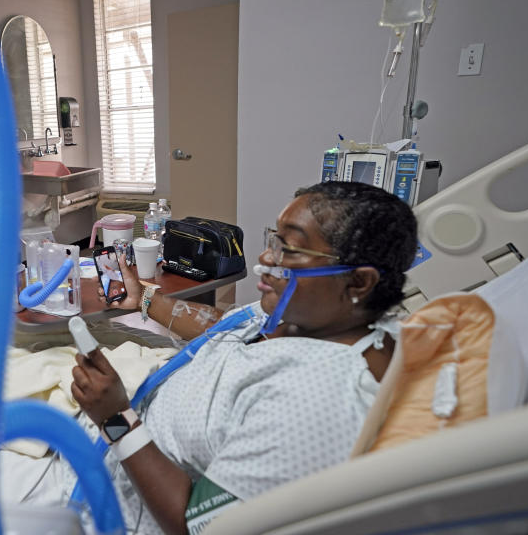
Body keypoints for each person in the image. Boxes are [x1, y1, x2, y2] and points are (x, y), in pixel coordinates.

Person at [71, 181, 418, 534]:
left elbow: (197, 526)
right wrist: (145, 299)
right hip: (107, 440)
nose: (267, 258)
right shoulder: (315, 314)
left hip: (109, 502)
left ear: (359, 282)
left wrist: (115, 419)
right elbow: (230, 325)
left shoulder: (317, 401)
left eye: (290, 249)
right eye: (274, 240)